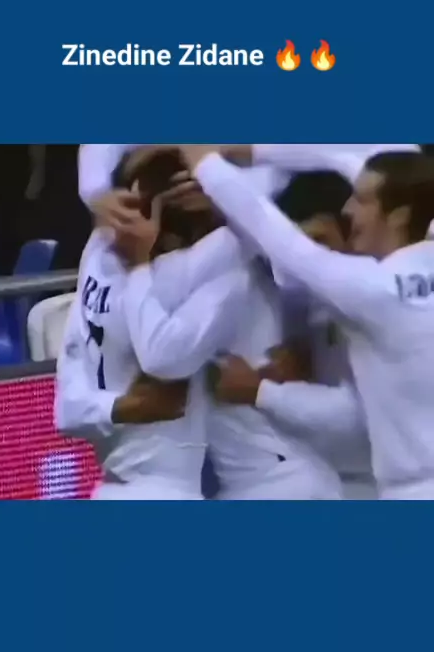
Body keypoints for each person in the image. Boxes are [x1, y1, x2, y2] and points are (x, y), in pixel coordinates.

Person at [80, 146, 344, 500]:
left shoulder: (229, 272)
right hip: (260, 483)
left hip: (280, 485)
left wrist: (139, 261)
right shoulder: (175, 273)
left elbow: (161, 357)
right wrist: (97, 194)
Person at [178, 144, 434, 500]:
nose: (348, 209)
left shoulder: (373, 290)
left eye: (362, 200)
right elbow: (343, 158)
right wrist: (246, 151)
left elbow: (274, 234)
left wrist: (203, 160)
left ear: (400, 216)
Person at [56, 147, 250, 500]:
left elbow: (65, 412)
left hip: (111, 490)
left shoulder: (96, 258)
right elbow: (258, 228)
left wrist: (117, 408)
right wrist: (223, 189)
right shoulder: (193, 273)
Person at [209, 170, 373, 498]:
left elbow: (362, 421)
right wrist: (301, 372)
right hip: (339, 482)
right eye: (298, 248)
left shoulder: (383, 305)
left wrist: (260, 391)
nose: (307, 261)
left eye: (320, 242)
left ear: (353, 235)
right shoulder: (304, 301)